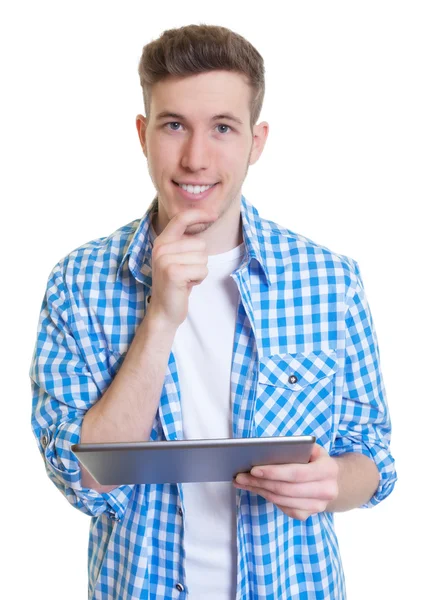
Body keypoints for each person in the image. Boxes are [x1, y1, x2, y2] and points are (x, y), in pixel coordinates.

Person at [30, 24, 397, 600]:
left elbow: (372, 459)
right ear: (142, 135)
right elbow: (85, 481)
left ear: (256, 142)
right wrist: (161, 316)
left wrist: (332, 482)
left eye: (222, 128)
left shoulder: (330, 280)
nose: (196, 158)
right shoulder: (77, 284)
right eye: (173, 125)